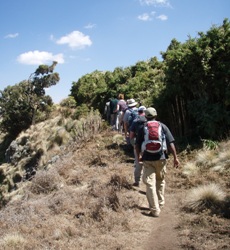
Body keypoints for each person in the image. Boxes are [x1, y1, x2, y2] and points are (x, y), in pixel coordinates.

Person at [135, 107, 180, 217]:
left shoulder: (142, 128)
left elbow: (137, 145)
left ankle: (154, 209)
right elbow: (171, 143)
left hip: (148, 159)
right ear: (156, 115)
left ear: (145, 116)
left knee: (150, 183)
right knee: (160, 180)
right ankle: (160, 203)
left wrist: (139, 156)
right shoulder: (163, 126)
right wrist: (175, 157)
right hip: (161, 158)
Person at [129, 106, 146, 187]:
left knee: (138, 163)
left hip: (138, 145)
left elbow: (131, 135)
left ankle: (137, 181)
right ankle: (148, 181)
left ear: (138, 112)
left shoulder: (136, 121)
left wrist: (134, 144)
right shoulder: (150, 120)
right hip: (149, 145)